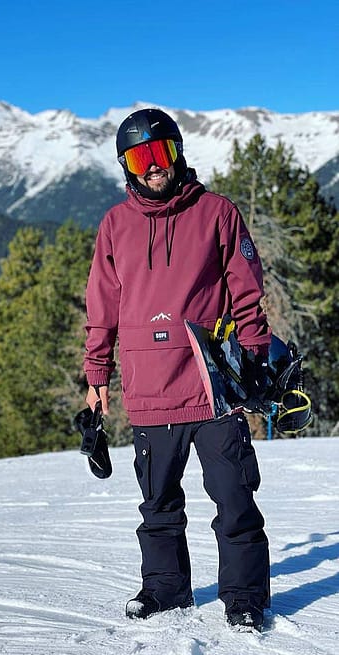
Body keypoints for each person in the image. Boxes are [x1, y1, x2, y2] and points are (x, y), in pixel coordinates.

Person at [83, 108, 271, 631]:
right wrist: (96, 378)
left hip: (212, 386)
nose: (153, 167)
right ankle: (166, 588)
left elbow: (248, 293)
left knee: (235, 498)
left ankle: (245, 596)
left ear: (178, 153)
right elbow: (101, 307)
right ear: (127, 166)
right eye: (141, 157)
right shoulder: (115, 225)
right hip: (147, 389)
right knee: (158, 503)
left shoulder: (217, 212)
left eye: (160, 153)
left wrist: (255, 357)